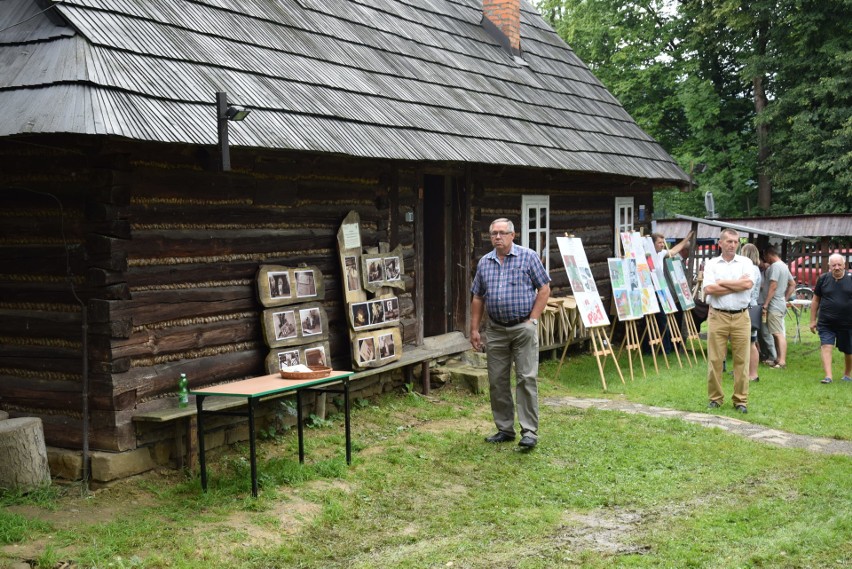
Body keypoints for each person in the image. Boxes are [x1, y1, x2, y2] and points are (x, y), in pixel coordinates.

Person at [470, 218, 551, 449]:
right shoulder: (485, 262)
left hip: (522, 328)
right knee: (497, 381)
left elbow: (544, 288)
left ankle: (529, 432)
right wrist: (475, 329)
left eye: (502, 233)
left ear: (512, 235)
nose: (497, 237)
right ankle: (505, 428)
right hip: (495, 329)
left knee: (526, 378)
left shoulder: (528, 257)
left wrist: (532, 320)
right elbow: (478, 296)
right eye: (493, 233)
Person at [702, 228, 754, 413]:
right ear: (720, 243)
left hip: (741, 316)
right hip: (718, 316)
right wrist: (735, 285)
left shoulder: (746, 262)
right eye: (729, 241)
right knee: (715, 359)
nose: (733, 245)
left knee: (742, 360)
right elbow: (708, 289)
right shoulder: (712, 264)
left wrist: (721, 282)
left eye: (735, 241)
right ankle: (715, 398)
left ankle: (740, 401)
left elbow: (747, 284)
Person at [808, 253, 852, 384]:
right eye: (834, 265)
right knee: (826, 346)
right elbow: (815, 300)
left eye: (839, 265)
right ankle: (828, 376)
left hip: (847, 322)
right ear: (829, 266)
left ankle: (847, 374)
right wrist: (812, 320)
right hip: (826, 322)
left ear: (845, 265)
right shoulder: (823, 279)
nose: (837, 267)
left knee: (848, 351)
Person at [650, 231, 695, 353]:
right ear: (652, 244)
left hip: (660, 290)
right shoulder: (647, 254)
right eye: (659, 243)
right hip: (650, 290)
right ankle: (657, 349)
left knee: (663, 320)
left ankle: (665, 349)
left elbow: (674, 250)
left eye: (662, 242)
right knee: (652, 322)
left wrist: (686, 239)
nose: (662, 245)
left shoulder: (661, 254)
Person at [762, 247, 796, 369]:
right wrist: (785, 298)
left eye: (765, 256)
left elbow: (773, 286)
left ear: (769, 255)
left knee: (778, 333)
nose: (765, 259)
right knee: (775, 332)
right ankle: (777, 359)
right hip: (780, 302)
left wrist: (766, 303)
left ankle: (782, 362)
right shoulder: (784, 266)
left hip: (774, 305)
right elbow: (792, 284)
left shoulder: (776, 266)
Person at [740, 243, 762, 382]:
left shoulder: (752, 270)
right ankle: (745, 371)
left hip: (748, 307)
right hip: (752, 305)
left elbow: (747, 288)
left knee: (751, 342)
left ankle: (753, 373)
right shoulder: (756, 269)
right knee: (747, 341)